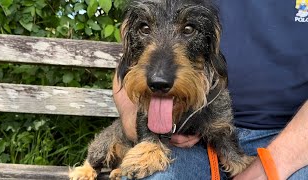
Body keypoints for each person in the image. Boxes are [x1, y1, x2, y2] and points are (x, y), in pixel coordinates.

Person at [113, 1, 308, 179]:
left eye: (188, 30)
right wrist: (137, 125)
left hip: (296, 143)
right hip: (194, 142)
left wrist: (272, 165)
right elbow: (129, 62)